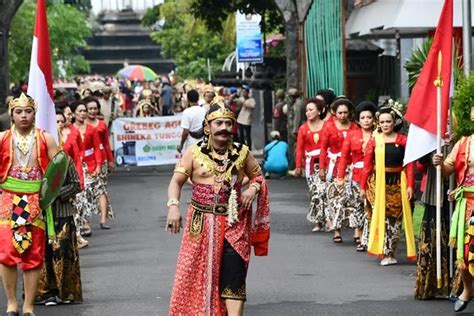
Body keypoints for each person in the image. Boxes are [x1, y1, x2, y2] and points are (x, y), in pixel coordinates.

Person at [166, 98, 270, 315]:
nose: (224, 128)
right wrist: (173, 206)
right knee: (193, 274)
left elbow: (258, 177)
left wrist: (252, 189)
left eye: (228, 123)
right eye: (218, 123)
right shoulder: (194, 153)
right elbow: (176, 182)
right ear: (207, 127)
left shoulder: (242, 152)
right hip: (201, 223)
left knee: (234, 274)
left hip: (234, 223)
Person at [0, 93, 58, 316]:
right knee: (6, 252)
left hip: (35, 201)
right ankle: (12, 302)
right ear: (11, 115)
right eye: (18, 112)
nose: (23, 116)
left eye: (28, 111)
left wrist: (50, 195)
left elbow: (59, 170)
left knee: (32, 254)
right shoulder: (3, 138)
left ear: (34, 113)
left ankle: (28, 306)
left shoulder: (46, 139)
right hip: (9, 200)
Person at [35, 110, 83, 306]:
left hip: (62, 214)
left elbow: (76, 184)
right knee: (42, 254)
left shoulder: (64, 161)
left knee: (62, 253)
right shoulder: (32, 163)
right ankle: (45, 293)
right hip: (38, 215)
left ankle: (66, 293)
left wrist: (55, 194)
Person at [360, 105, 416, 266]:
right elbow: (367, 166)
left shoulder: (403, 140)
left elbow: (410, 165)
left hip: (398, 184)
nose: (385, 125)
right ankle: (384, 251)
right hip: (378, 184)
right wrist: (363, 187)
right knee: (382, 219)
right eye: (382, 122)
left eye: (388, 121)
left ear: (394, 122)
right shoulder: (374, 141)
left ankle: (391, 251)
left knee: (395, 220)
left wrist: (410, 186)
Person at [432, 106, 474, 311]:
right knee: (465, 252)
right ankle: (467, 289)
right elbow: (449, 170)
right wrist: (440, 163)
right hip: (467, 204)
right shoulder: (464, 143)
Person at [335, 101, 377, 251]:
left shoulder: (378, 135)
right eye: (363, 117)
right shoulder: (352, 135)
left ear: (374, 119)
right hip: (355, 176)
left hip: (374, 176)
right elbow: (344, 157)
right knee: (357, 205)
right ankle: (358, 234)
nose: (366, 120)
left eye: (369, 117)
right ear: (358, 120)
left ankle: (369, 237)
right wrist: (340, 176)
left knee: (371, 207)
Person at [319, 98, 358, 242]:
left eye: (345, 112)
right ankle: (336, 230)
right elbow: (323, 148)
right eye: (340, 112)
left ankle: (356, 230)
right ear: (334, 113)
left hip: (351, 166)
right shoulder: (328, 128)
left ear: (349, 113)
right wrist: (322, 168)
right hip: (333, 165)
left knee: (352, 198)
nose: (342, 115)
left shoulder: (355, 127)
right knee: (334, 198)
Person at [294, 98, 327, 232]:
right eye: (306, 110)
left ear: (320, 111)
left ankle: (326, 219)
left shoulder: (327, 126)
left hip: (326, 165)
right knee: (315, 193)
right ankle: (318, 221)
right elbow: (300, 148)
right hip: (311, 165)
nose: (308, 112)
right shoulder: (303, 128)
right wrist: (298, 166)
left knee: (324, 192)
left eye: (311, 110)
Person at [70, 101, 102, 238]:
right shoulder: (69, 130)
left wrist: (99, 165)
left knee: (87, 195)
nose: (83, 113)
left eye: (84, 111)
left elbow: (97, 148)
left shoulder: (91, 129)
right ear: (74, 113)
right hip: (74, 166)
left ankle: (86, 222)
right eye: (80, 111)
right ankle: (78, 223)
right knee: (78, 196)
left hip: (90, 165)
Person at [84, 96, 114, 229]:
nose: (92, 111)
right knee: (86, 192)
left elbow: (106, 144)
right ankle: (86, 221)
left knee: (101, 189)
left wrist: (111, 160)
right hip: (84, 162)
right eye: (90, 108)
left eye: (95, 108)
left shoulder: (102, 124)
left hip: (101, 160)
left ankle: (103, 219)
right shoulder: (80, 125)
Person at [177, 89, 206, 154]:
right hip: (203, 142)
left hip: (191, 144)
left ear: (188, 100)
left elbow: (185, 132)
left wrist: (181, 145)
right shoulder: (204, 110)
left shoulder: (187, 112)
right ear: (198, 98)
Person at [236, 85, 256, 150]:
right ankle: (242, 148)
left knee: (247, 135)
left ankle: (249, 149)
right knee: (241, 135)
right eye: (243, 92)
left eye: (245, 92)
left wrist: (244, 103)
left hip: (247, 119)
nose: (243, 93)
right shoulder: (241, 98)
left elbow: (252, 106)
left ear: (248, 92)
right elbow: (238, 104)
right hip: (240, 119)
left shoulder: (251, 100)